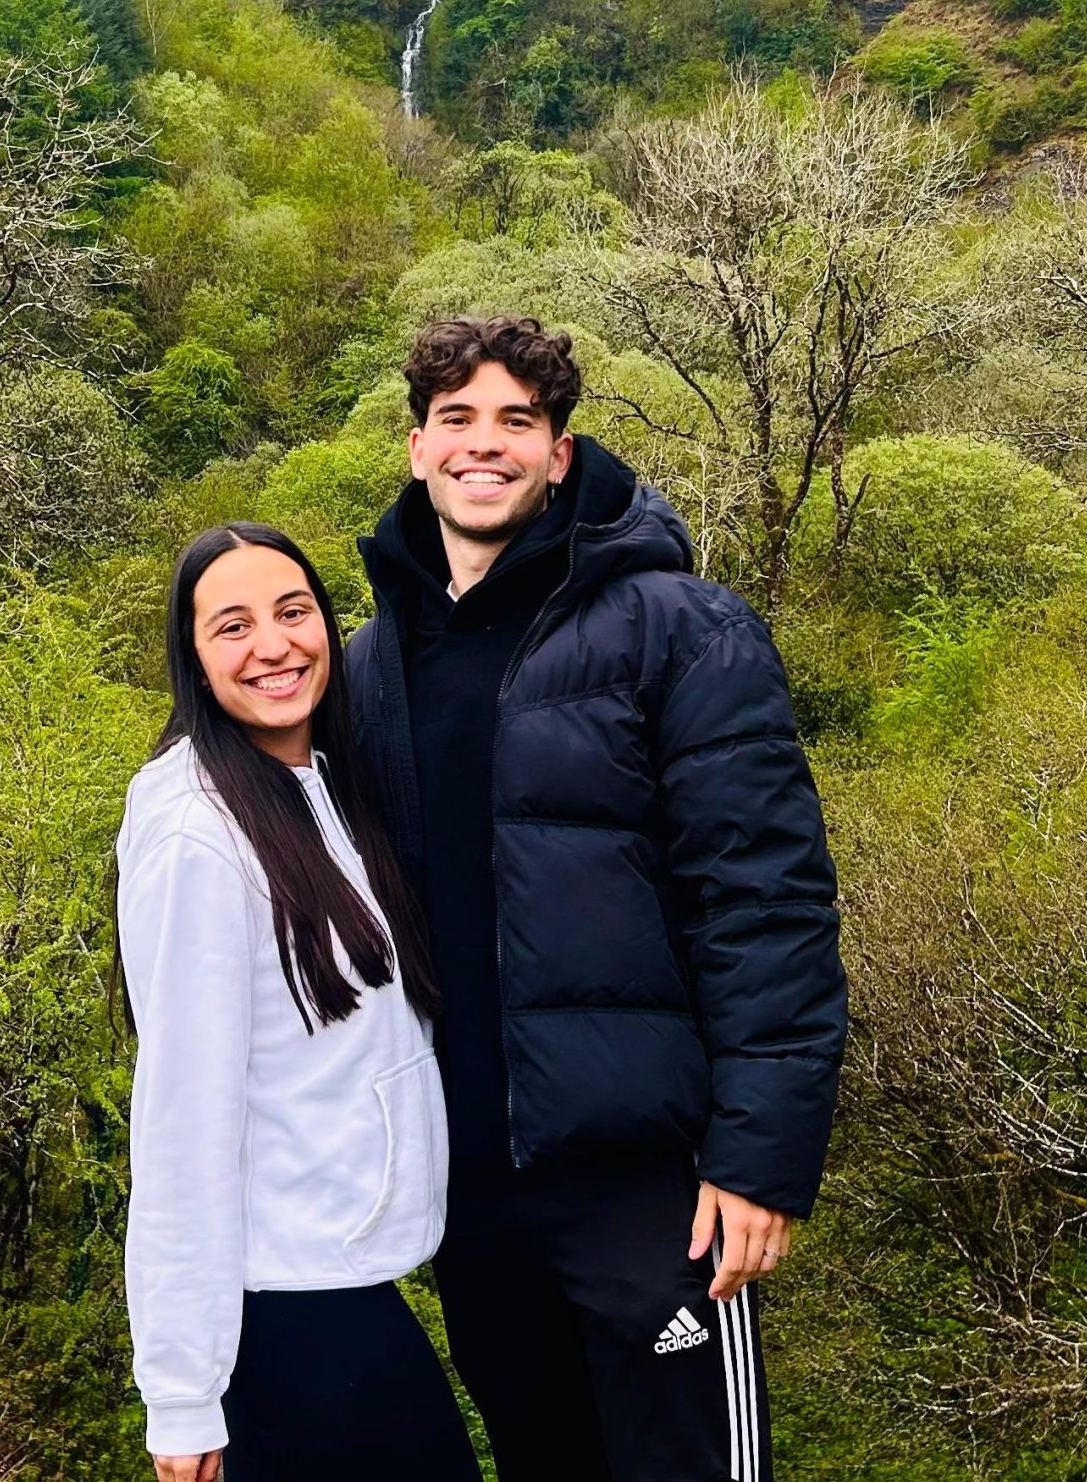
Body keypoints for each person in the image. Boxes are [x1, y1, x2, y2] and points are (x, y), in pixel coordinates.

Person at [347, 315, 848, 1482]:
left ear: (560, 451)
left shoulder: (682, 628)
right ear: (415, 447)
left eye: (516, 420)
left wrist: (760, 1159)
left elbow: (765, 901)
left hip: (649, 1191)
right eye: (457, 420)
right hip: (468, 1189)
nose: (486, 444)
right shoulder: (369, 663)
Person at [116, 521, 484, 1482]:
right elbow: (181, 1122)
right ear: (192, 659)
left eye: (292, 611)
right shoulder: (197, 834)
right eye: (231, 626)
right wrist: (183, 1394)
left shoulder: (320, 781)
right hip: (282, 1311)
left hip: (346, 1283)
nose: (273, 646)